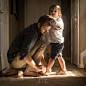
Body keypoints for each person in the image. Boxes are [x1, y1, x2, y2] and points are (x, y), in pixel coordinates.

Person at [45, 5, 67, 75]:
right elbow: (50, 29)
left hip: (58, 42)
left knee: (52, 57)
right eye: (51, 11)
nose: (53, 12)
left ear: (59, 13)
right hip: (53, 42)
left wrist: (53, 19)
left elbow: (58, 26)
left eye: (55, 11)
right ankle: (64, 70)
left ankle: (47, 70)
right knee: (59, 57)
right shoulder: (51, 21)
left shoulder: (59, 20)